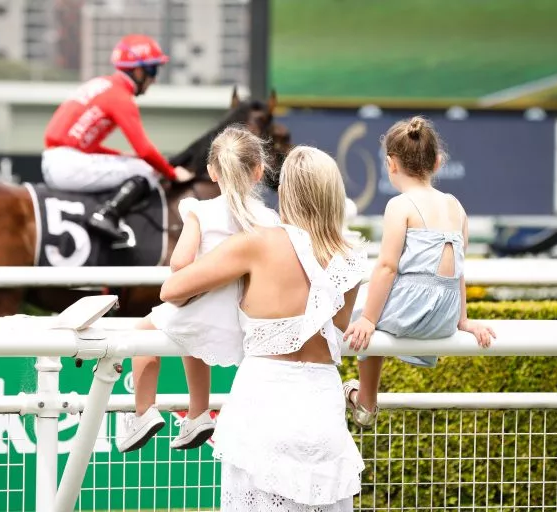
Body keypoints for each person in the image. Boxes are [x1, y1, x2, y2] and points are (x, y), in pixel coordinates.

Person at [160, 145, 366, 510]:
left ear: (285, 191)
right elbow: (337, 329)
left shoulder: (256, 242)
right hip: (323, 405)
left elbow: (172, 290)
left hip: (264, 402)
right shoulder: (351, 259)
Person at [118, 125, 280, 453]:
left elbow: (179, 263)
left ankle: (144, 411)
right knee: (195, 347)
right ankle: (198, 413)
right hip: (240, 317)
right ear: (260, 170)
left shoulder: (201, 211)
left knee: (142, 338)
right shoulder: (268, 218)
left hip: (197, 306)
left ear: (212, 172)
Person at [342, 116, 496, 428]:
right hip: (445, 317)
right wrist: (462, 320)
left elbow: (386, 266)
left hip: (413, 311)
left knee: (354, 312)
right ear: (438, 162)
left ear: (390, 164)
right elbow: (458, 269)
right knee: (369, 309)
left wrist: (369, 320)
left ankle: (366, 402)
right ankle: (364, 398)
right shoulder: (456, 206)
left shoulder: (400, 205)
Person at [41, 34, 195, 241]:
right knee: (146, 171)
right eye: (153, 70)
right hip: (67, 165)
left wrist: (123, 156)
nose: (154, 79)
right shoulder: (121, 97)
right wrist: (171, 173)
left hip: (57, 160)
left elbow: (83, 144)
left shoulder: (102, 84)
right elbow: (145, 150)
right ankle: (107, 215)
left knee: (137, 163)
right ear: (139, 71)